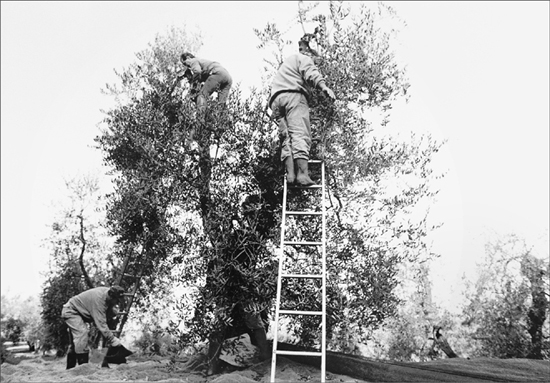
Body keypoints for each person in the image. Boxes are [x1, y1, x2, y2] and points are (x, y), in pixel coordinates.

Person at [269, 35, 335, 186]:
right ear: (309, 51)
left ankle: (290, 174)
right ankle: (303, 175)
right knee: (300, 133)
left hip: (276, 101)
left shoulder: (288, 62)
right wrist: (324, 87)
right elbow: (311, 73)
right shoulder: (304, 58)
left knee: (286, 137)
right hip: (294, 96)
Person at [61, 286, 125, 369]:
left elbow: (106, 310)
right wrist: (113, 339)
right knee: (82, 335)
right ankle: (83, 368)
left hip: (79, 312)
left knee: (76, 344)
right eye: (116, 300)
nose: (117, 303)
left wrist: (112, 311)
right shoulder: (99, 301)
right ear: (111, 296)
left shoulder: (107, 294)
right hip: (71, 311)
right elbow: (101, 324)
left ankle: (70, 370)